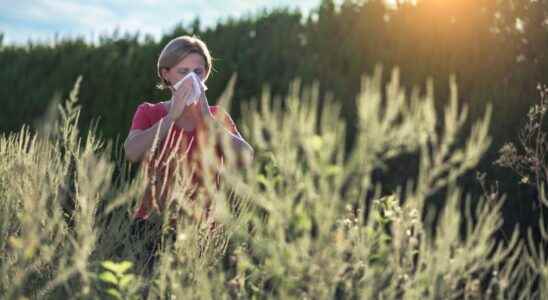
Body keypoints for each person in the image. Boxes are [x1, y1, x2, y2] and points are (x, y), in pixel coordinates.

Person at [124, 35, 254, 223]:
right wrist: (170, 118)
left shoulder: (217, 116)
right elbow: (131, 153)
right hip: (151, 227)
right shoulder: (149, 112)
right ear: (166, 74)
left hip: (202, 229)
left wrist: (209, 121)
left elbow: (246, 157)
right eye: (183, 72)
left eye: (197, 72)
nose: (191, 79)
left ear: (206, 74)